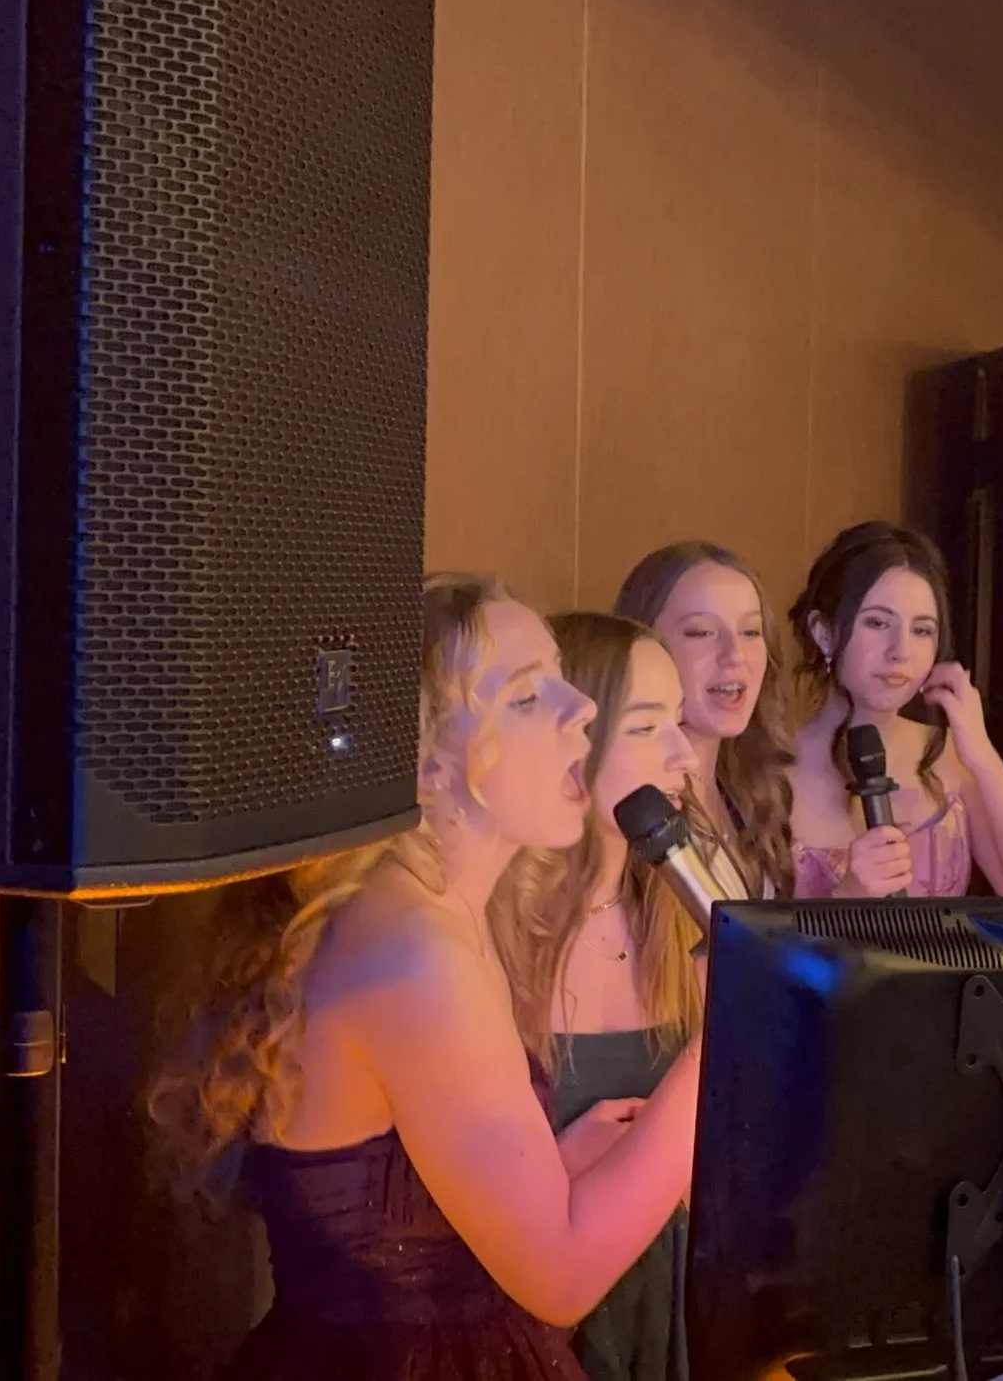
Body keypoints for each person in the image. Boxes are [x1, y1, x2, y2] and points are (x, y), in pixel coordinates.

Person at [146, 576, 699, 1381]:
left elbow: (423, 1211)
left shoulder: (433, 915)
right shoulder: (416, 959)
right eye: (524, 696)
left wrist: (555, 1163)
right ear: (429, 762)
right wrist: (724, 1047)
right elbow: (562, 1279)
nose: (581, 708)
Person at [494, 613, 720, 1381]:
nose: (685, 754)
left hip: (672, 1308)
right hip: (526, 1319)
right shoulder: (489, 934)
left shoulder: (678, 912)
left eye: (680, 723)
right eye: (649, 725)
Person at [786, 522, 1003, 899]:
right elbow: (742, 951)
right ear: (823, 633)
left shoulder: (947, 754)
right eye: (877, 623)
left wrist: (982, 755)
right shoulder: (772, 771)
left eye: (922, 630)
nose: (900, 651)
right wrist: (847, 896)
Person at [614, 542, 795, 896]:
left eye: (750, 632)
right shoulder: (634, 806)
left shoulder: (752, 787)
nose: (735, 655)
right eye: (702, 632)